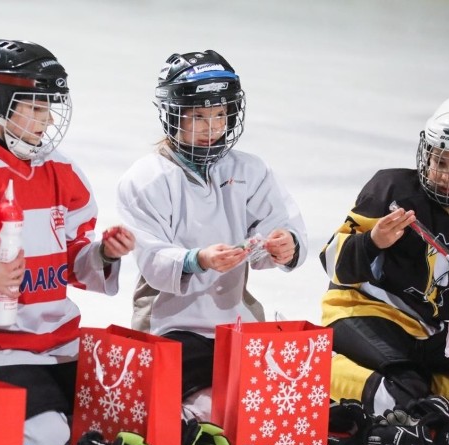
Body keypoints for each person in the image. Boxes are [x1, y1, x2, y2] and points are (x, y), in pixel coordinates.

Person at [0, 39, 134, 445]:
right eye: (35, 107)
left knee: (125, 414)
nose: (48, 119)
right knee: (49, 436)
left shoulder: (62, 169)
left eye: (48, 106)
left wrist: (103, 255)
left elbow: (75, 263)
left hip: (59, 342)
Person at [116, 50, 308, 423]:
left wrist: (285, 245)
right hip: (170, 327)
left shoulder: (249, 170)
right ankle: (190, 415)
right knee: (202, 401)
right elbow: (153, 261)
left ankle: (199, 414)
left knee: (262, 394)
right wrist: (197, 259)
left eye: (220, 115)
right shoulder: (147, 178)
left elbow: (280, 225)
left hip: (233, 324)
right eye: (199, 117)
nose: (212, 127)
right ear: (173, 116)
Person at [320, 96, 449, 445]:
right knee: (406, 387)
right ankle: (315, 371)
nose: (443, 173)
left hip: (436, 334)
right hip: (368, 313)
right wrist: (372, 241)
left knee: (423, 393)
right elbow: (332, 263)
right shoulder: (391, 190)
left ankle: (411, 408)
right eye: (439, 159)